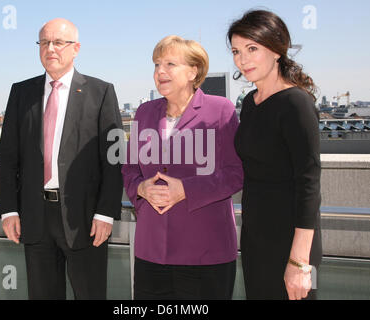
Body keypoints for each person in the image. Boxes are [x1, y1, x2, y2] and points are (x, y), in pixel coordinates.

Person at [0, 18, 123, 300]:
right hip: (34, 218)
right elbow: (7, 158)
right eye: (44, 42)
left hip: (86, 220)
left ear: (76, 48)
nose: (50, 48)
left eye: (58, 42)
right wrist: (8, 210)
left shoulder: (100, 92)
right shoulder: (21, 92)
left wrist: (105, 213)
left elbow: (113, 160)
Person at [122, 35, 243, 300]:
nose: (159, 71)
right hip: (151, 252)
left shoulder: (220, 110)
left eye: (169, 64)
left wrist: (186, 190)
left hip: (205, 252)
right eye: (156, 64)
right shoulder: (144, 113)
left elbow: (236, 173)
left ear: (193, 71)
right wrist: (141, 188)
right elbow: (129, 168)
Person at [227, 10, 322, 300]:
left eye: (252, 48)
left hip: (293, 243)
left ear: (276, 50)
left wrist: (298, 261)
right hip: (256, 237)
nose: (242, 59)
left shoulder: (296, 104)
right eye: (236, 51)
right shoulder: (251, 104)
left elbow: (309, 185)